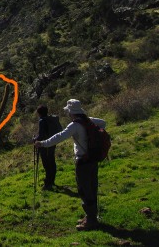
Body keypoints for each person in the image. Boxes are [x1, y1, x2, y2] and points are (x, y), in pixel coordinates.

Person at [34, 99, 106, 231]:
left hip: (82, 160)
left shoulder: (75, 125)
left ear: (71, 112)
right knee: (92, 186)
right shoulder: (88, 120)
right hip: (93, 158)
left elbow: (59, 137)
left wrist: (42, 143)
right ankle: (90, 215)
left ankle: (91, 220)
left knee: (84, 189)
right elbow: (103, 123)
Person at [34, 104, 57, 190]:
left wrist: (35, 139)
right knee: (52, 161)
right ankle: (52, 180)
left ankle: (48, 183)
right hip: (52, 143)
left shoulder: (42, 121)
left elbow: (41, 135)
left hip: (44, 145)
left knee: (46, 164)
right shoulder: (50, 119)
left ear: (39, 113)